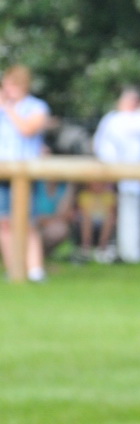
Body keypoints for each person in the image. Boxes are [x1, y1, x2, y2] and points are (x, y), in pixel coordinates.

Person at [92, 87, 140, 264]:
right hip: (115, 176)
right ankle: (125, 252)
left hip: (124, 176)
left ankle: (128, 252)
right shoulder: (126, 119)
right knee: (119, 214)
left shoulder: (124, 118)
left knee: (128, 214)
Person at [0, 65, 51, 281]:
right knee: (3, 222)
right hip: (3, 172)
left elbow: (27, 130)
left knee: (28, 223)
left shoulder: (36, 107)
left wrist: (9, 109)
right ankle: (14, 270)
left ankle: (35, 269)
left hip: (25, 172)